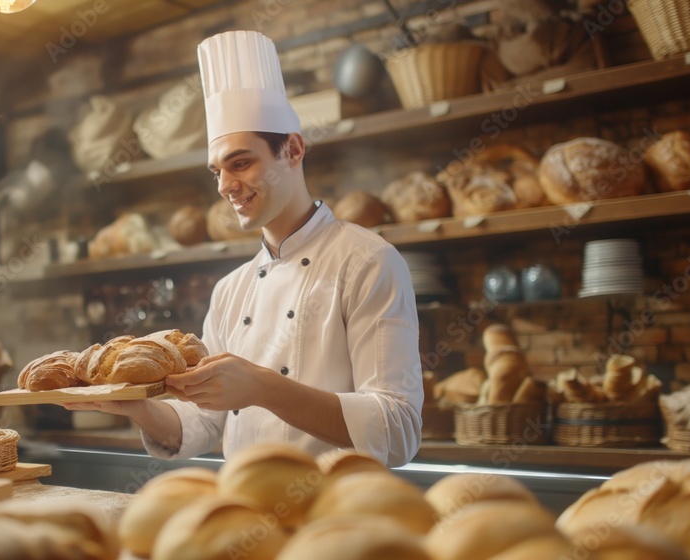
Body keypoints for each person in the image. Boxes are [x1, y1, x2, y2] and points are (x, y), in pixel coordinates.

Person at [64, 30, 423, 466]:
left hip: (335, 517)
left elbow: (398, 429)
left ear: (292, 149)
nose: (225, 185)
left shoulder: (368, 261)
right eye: (216, 171)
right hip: (245, 513)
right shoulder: (230, 290)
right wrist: (136, 407)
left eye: (241, 163)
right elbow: (202, 424)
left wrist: (263, 388)